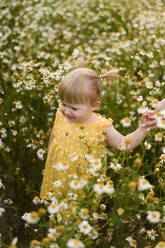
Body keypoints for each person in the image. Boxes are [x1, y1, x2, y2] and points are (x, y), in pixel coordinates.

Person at [40, 60, 157, 200]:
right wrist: (50, 155)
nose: (66, 111)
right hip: (57, 172)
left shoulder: (101, 126)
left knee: (76, 214)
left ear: (94, 105)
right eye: (64, 104)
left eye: (74, 108)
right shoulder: (60, 113)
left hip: (83, 182)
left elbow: (123, 143)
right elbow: (55, 133)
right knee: (54, 204)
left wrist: (142, 129)